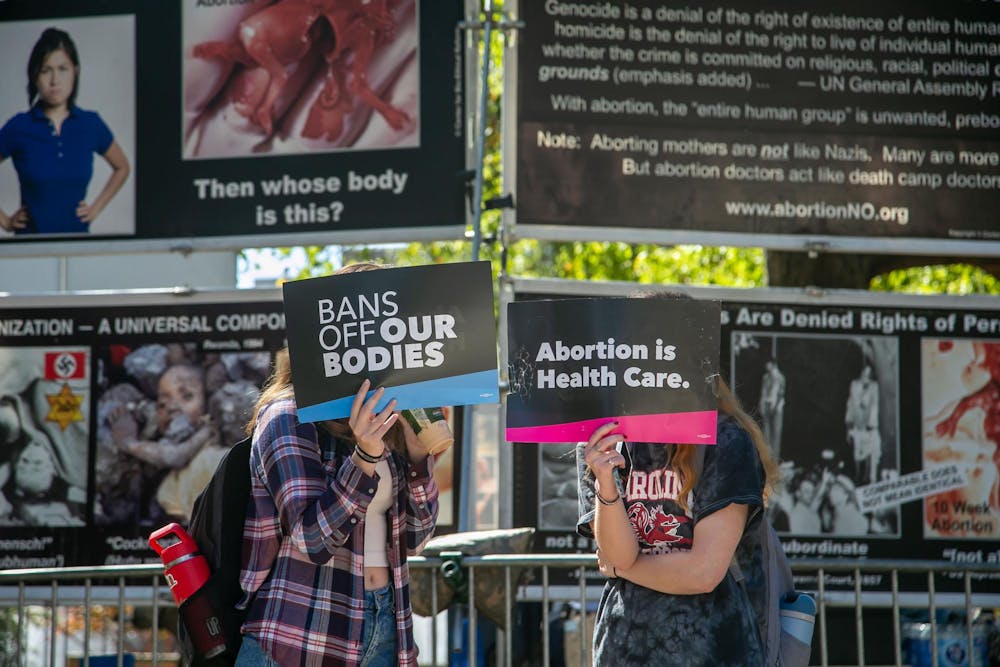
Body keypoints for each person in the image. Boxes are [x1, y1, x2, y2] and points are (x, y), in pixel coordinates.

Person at [236, 263, 441, 666]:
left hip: (387, 628)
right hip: (299, 638)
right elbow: (312, 539)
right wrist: (364, 455)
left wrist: (419, 460)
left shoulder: (391, 416)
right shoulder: (289, 416)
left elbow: (415, 539)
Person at [576, 377, 779, 667]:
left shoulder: (726, 439)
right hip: (623, 648)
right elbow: (618, 553)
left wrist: (622, 568)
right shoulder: (600, 441)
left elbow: (704, 573)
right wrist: (605, 483)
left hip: (712, 648)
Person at [0, 27, 130, 235]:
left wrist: (95, 209)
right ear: (35, 76)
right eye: (45, 70)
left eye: (62, 69)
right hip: (30, 250)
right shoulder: (19, 127)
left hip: (77, 246)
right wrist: (5, 221)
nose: (54, 80)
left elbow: (122, 167)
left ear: (75, 72)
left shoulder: (90, 124)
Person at [845, 364, 880, 485]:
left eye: (869, 374)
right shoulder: (854, 385)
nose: (866, 376)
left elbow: (874, 406)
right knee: (857, 453)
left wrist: (872, 423)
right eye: (864, 373)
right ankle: (857, 476)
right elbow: (850, 406)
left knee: (870, 453)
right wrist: (848, 428)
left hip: (869, 427)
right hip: (857, 426)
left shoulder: (874, 387)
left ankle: (867, 478)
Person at [758, 359, 785, 457]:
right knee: (766, 432)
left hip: (777, 407)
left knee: (776, 433)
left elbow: (781, 394)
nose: (767, 367)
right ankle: (766, 457)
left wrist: (775, 406)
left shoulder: (780, 378)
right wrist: (761, 404)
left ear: (774, 365)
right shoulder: (765, 377)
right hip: (766, 405)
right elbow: (763, 393)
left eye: (768, 365)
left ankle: (775, 459)